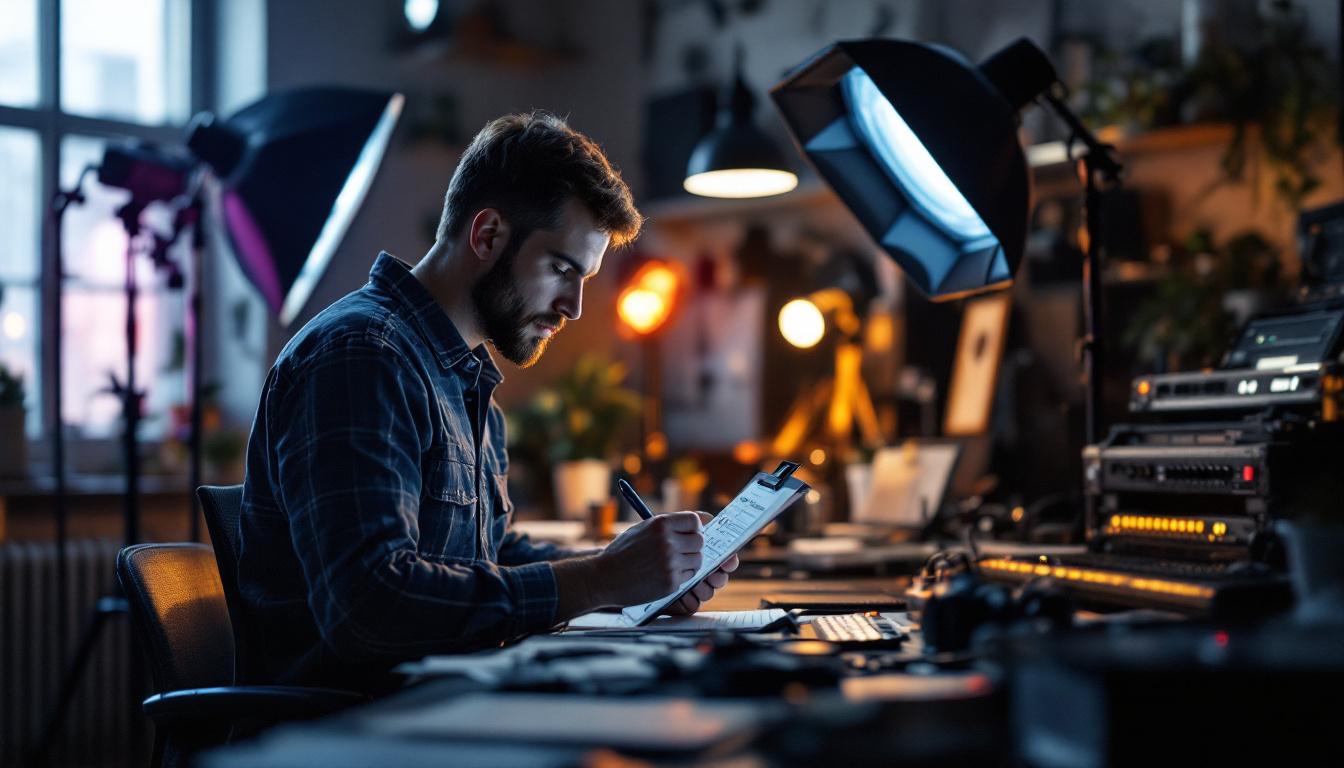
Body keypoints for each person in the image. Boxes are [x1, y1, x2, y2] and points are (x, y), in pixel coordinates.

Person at [237, 112, 737, 692]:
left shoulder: (463, 375)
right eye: (561, 270)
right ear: (488, 235)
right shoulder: (362, 358)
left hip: (446, 703)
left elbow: (485, 554)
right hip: (354, 731)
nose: (573, 307)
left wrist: (635, 571)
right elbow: (368, 608)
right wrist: (598, 580)